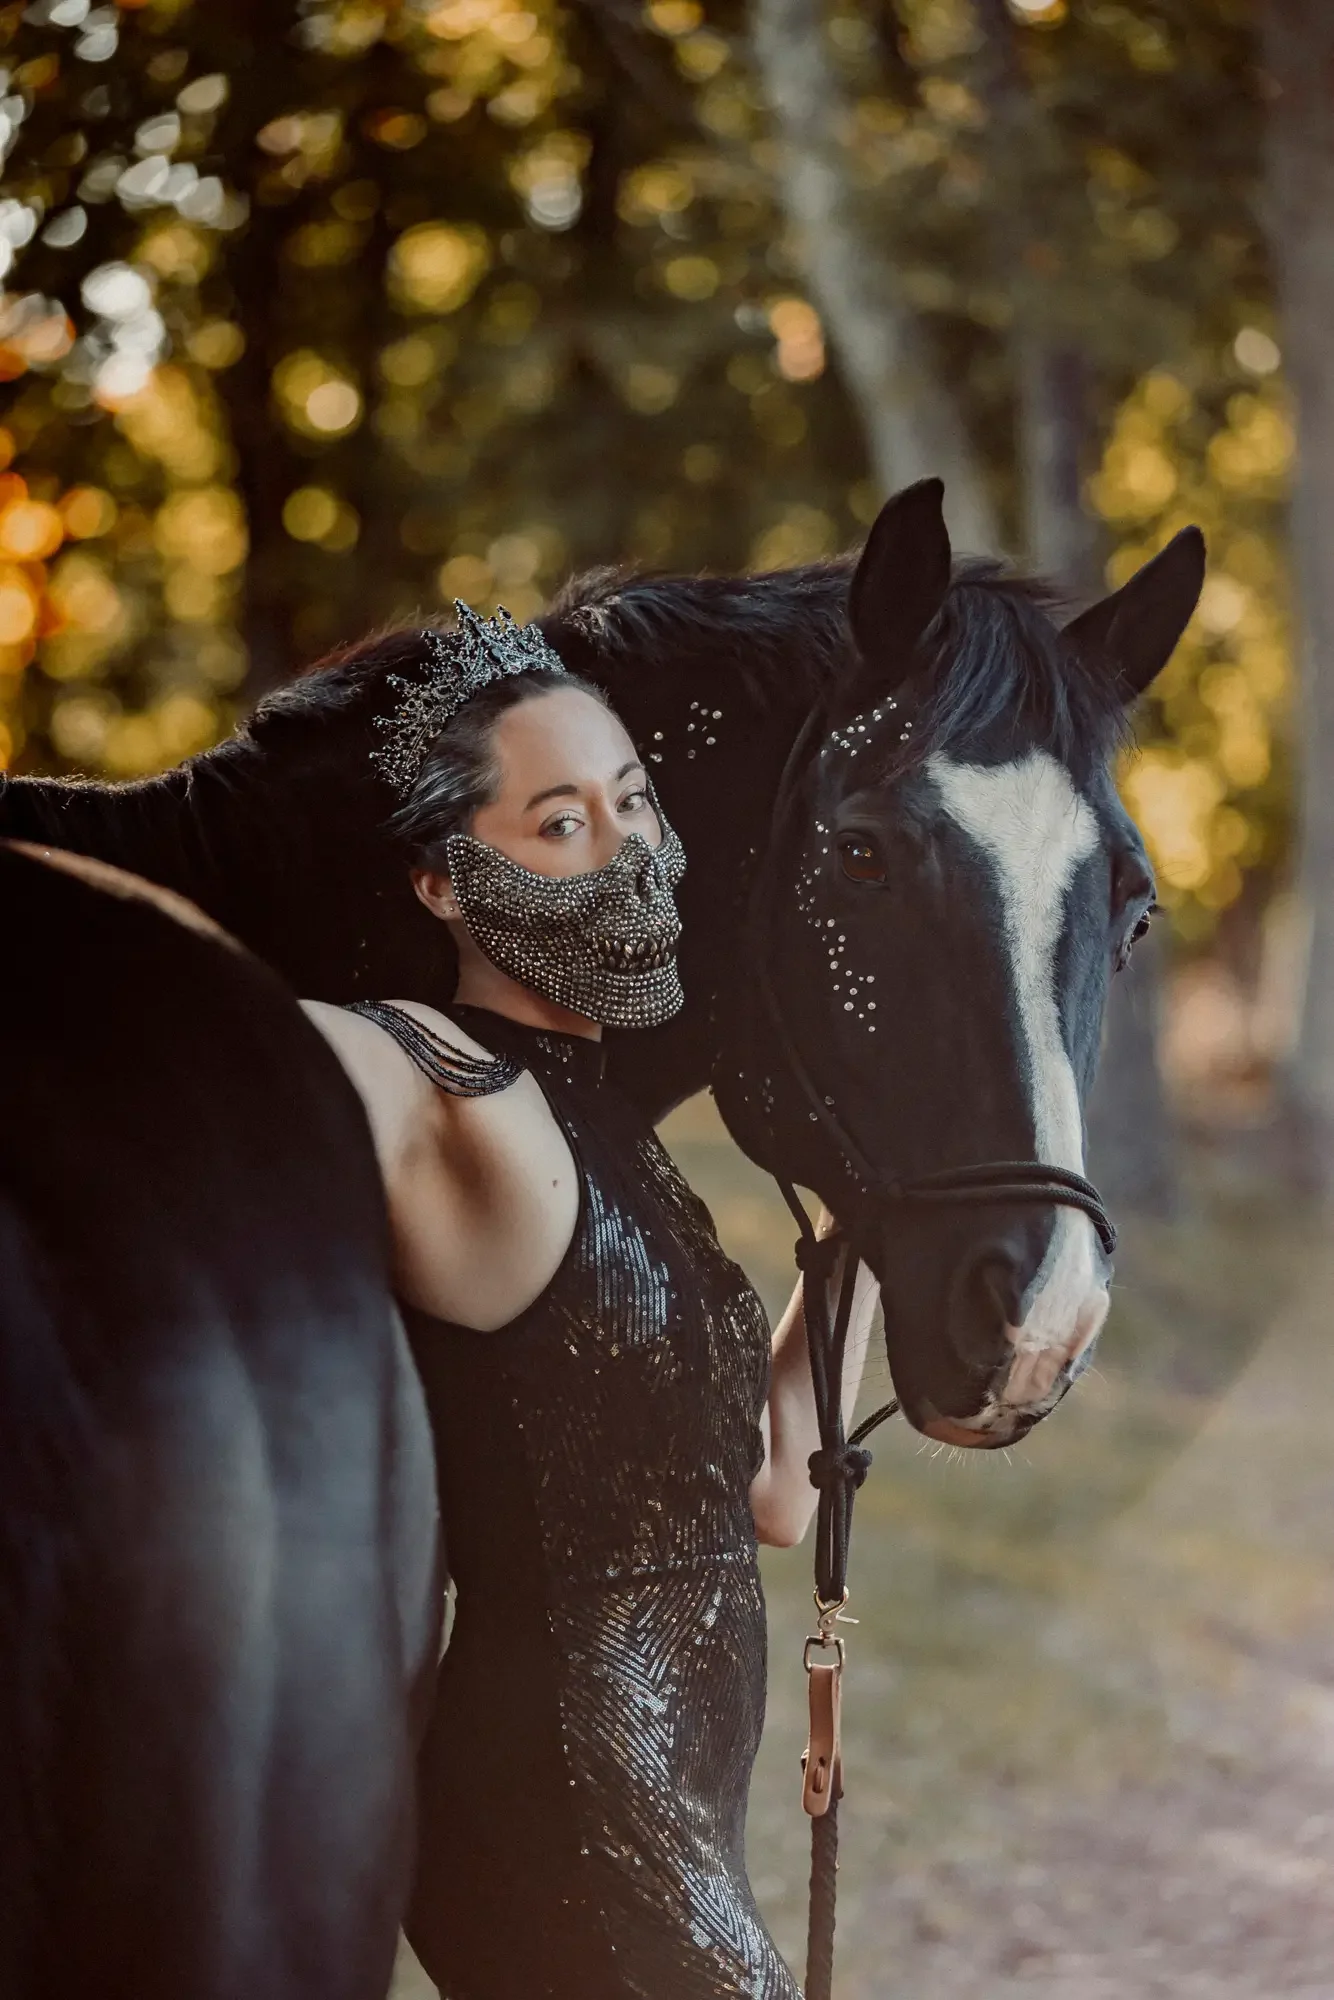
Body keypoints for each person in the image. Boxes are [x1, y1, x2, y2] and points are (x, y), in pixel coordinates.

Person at [305, 605, 878, 2000]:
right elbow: (208, 1027)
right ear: (439, 882)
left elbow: (771, 1491)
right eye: (557, 823)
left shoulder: (607, 1123)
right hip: (550, 1805)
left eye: (631, 802)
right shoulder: (423, 1073)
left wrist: (873, 1220)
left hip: (666, 1810)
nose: (624, 853)